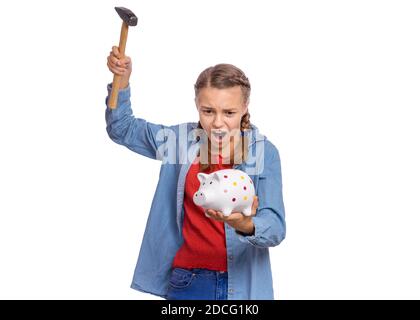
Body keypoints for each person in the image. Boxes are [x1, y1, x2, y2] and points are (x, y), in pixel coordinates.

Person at [105, 46, 286, 300]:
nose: (218, 123)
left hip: (243, 287)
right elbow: (122, 129)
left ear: (245, 106)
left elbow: (276, 227)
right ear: (196, 105)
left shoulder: (263, 153)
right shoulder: (179, 142)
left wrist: (244, 224)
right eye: (208, 111)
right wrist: (121, 81)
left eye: (229, 112)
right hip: (188, 284)